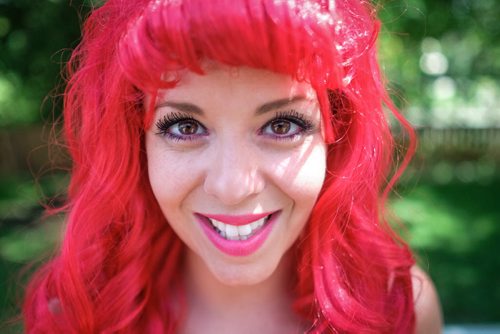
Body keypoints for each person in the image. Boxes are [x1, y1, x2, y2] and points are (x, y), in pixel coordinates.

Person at [23, 0, 442, 333]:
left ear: (336, 135)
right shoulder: (78, 321)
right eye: (185, 126)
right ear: (138, 143)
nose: (232, 187)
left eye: (282, 125)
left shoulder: (397, 310)